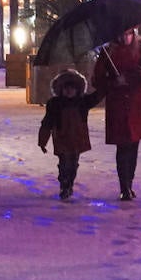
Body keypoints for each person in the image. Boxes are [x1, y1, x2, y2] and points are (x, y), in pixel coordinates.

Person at [92, 28, 141, 201]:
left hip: (138, 102)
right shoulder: (107, 51)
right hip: (118, 103)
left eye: (128, 32)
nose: (124, 36)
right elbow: (97, 79)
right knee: (123, 145)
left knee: (133, 145)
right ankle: (124, 187)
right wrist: (113, 81)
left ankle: (129, 183)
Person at [38, 68, 106, 200]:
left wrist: (106, 84)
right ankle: (64, 183)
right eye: (66, 88)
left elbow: (97, 96)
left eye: (72, 88)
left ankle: (69, 184)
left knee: (73, 164)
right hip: (62, 139)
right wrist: (42, 141)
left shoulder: (82, 102)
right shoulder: (55, 104)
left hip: (77, 139)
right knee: (64, 163)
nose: (69, 91)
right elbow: (47, 123)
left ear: (78, 89)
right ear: (61, 89)